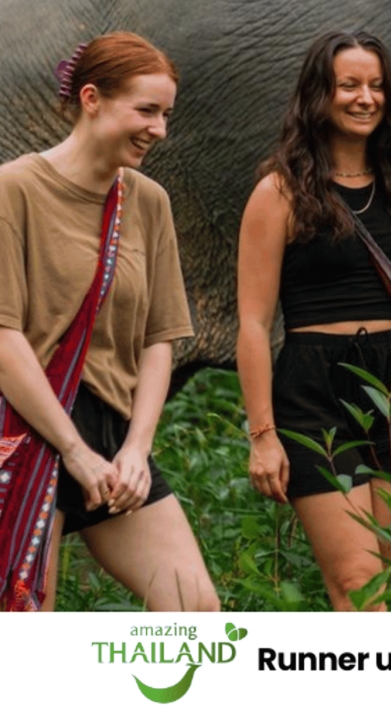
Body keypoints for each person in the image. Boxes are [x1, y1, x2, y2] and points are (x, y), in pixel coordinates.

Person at [236, 30, 391, 611]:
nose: (366, 98)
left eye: (377, 85)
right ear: (319, 96)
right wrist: (262, 436)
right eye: (350, 85)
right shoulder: (278, 194)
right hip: (315, 392)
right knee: (358, 580)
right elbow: (254, 324)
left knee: (386, 573)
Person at [0, 32, 219, 612]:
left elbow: (159, 338)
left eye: (166, 114)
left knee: (192, 611)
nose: (159, 129)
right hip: (27, 430)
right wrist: (72, 449)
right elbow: (3, 336)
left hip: (113, 432)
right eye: (146, 110)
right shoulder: (14, 189)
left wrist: (134, 449)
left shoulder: (148, 201)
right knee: (23, 620)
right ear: (91, 98)